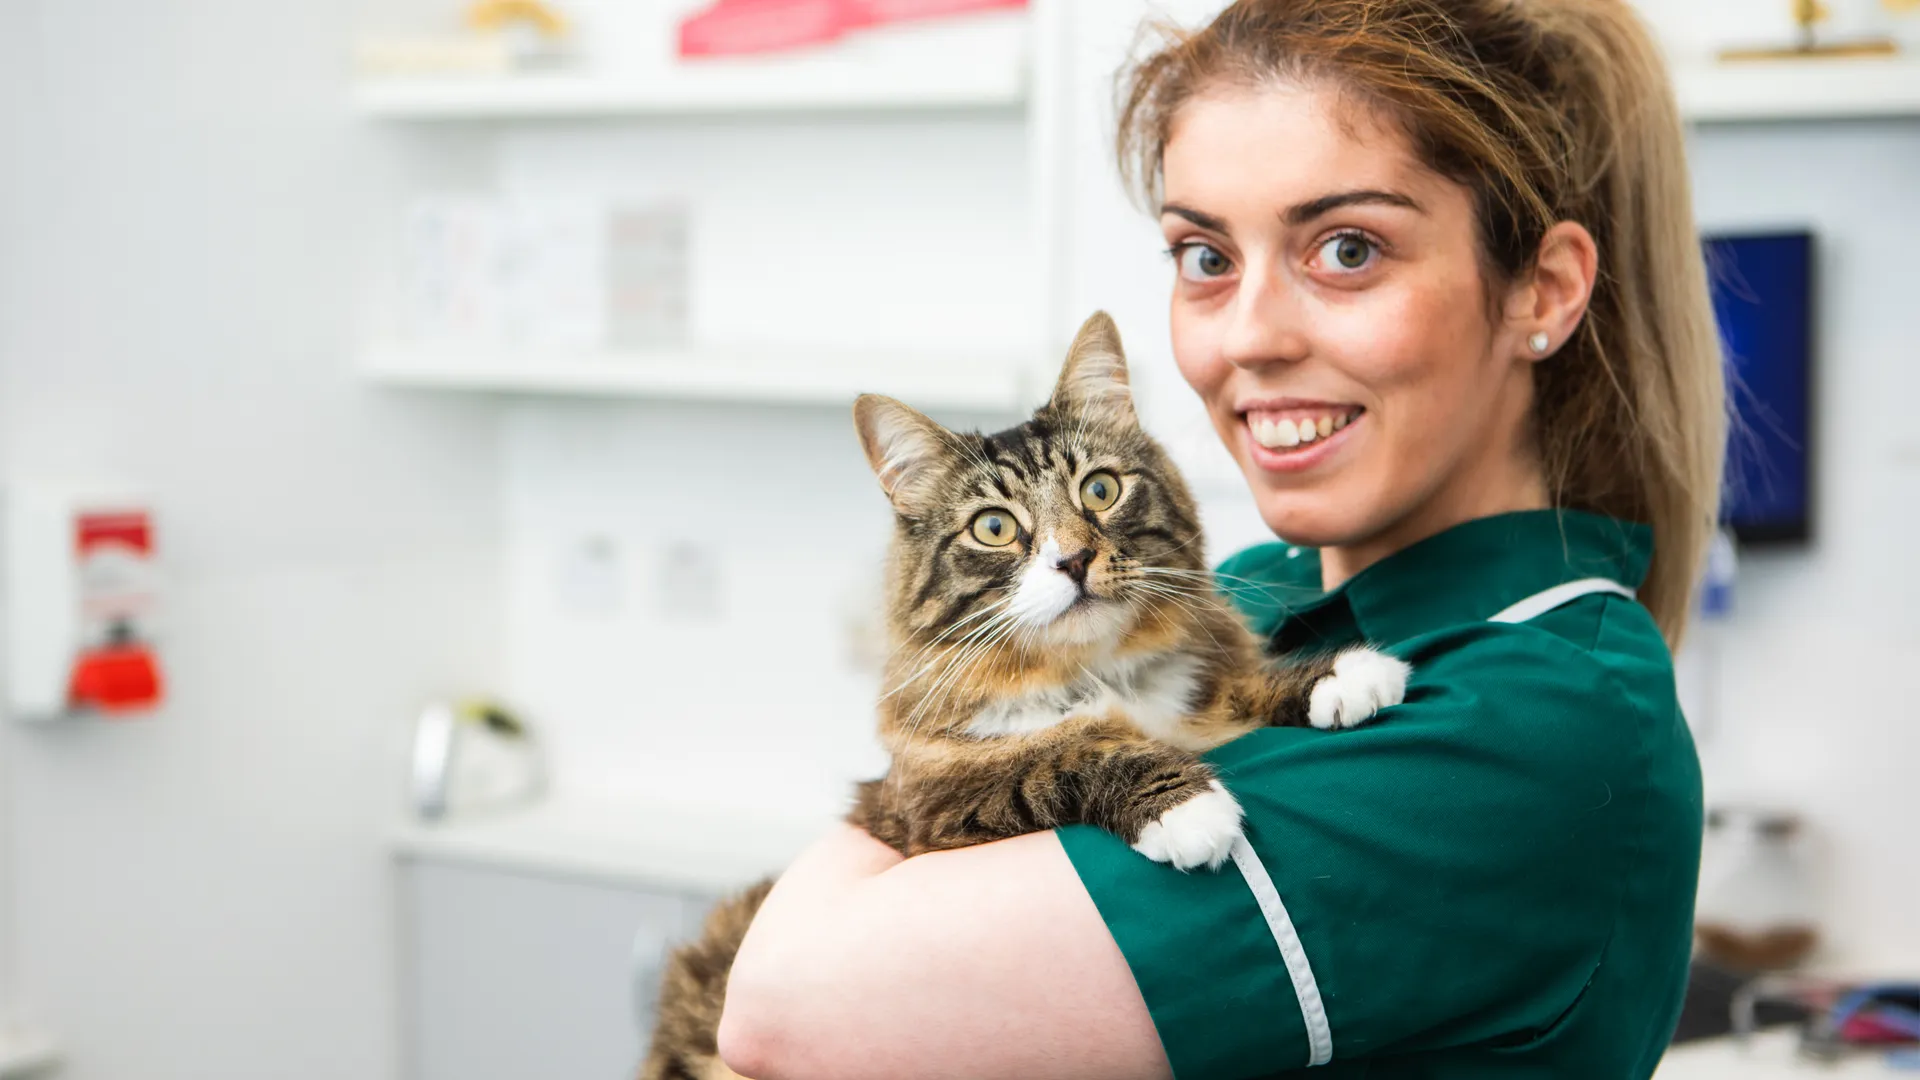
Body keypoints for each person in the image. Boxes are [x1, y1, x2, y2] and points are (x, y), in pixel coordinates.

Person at [716, 0, 1724, 1076]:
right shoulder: (1246, 594)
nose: (1248, 337)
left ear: (1544, 289)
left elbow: (786, 1008)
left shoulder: (1533, 716)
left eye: (1347, 249)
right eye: (1203, 256)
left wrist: (922, 797)